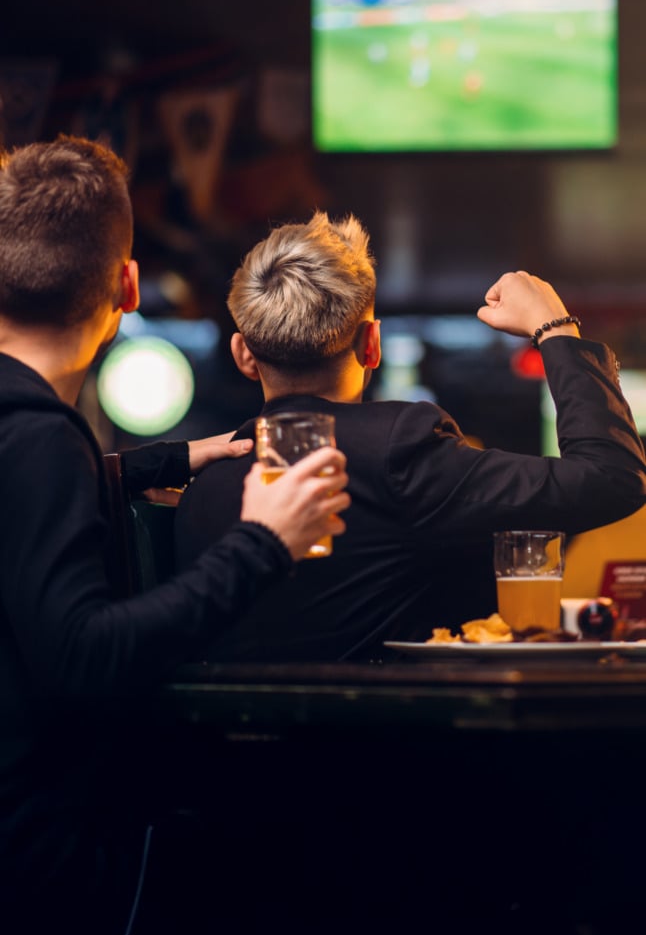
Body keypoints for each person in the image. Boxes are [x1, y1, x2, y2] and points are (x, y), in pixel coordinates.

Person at [0, 138, 350, 935]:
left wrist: (154, 463)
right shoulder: (38, 435)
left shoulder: (21, 426)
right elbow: (86, 658)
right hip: (34, 869)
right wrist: (263, 540)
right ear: (127, 286)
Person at [175, 210, 646, 662]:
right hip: (392, 718)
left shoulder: (201, 488)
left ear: (243, 354)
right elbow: (611, 478)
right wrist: (555, 328)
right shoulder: (400, 449)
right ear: (372, 345)